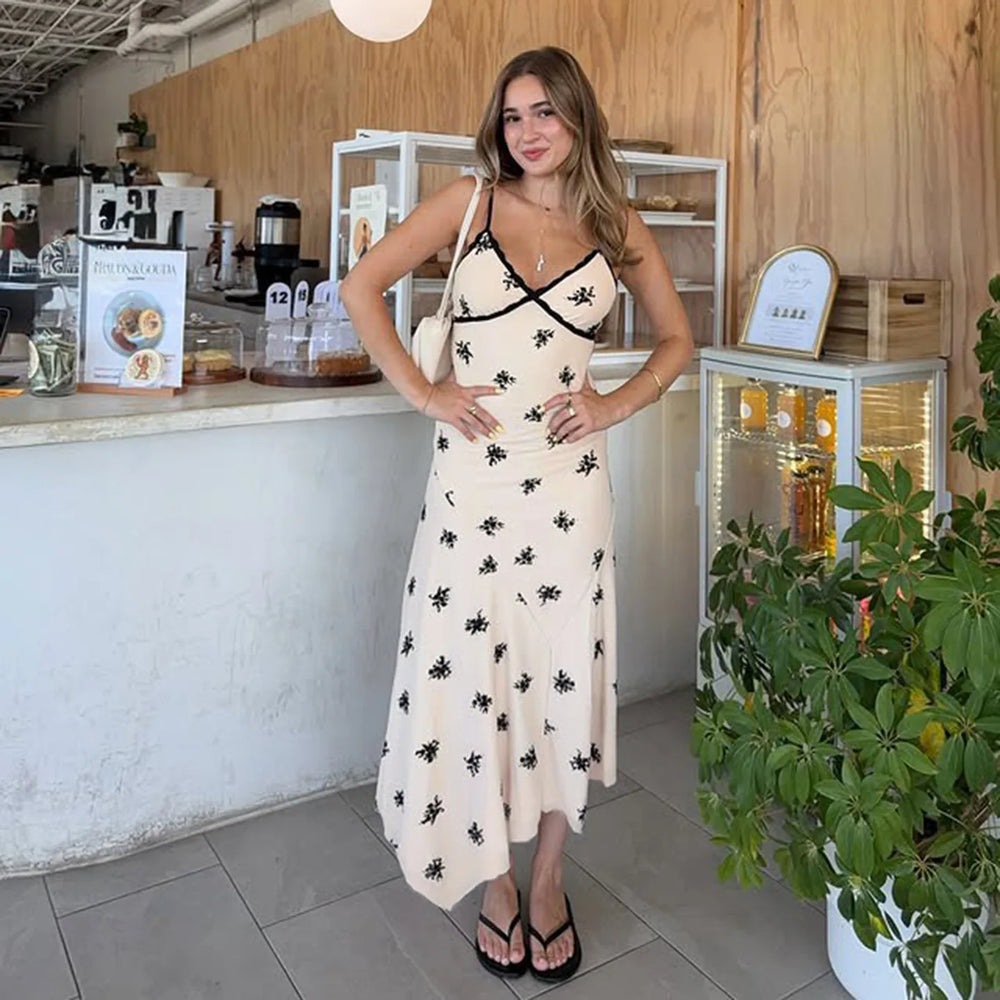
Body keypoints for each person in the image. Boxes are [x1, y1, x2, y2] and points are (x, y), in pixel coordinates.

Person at [339, 46, 693, 983]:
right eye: (512, 116)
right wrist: (424, 394)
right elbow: (359, 286)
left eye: (544, 112)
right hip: (471, 488)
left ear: (578, 116)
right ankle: (488, 876)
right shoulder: (469, 204)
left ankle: (544, 880)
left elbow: (676, 337)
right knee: (472, 677)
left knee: (556, 678)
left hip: (570, 499)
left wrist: (615, 405)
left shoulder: (616, 223)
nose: (527, 132)